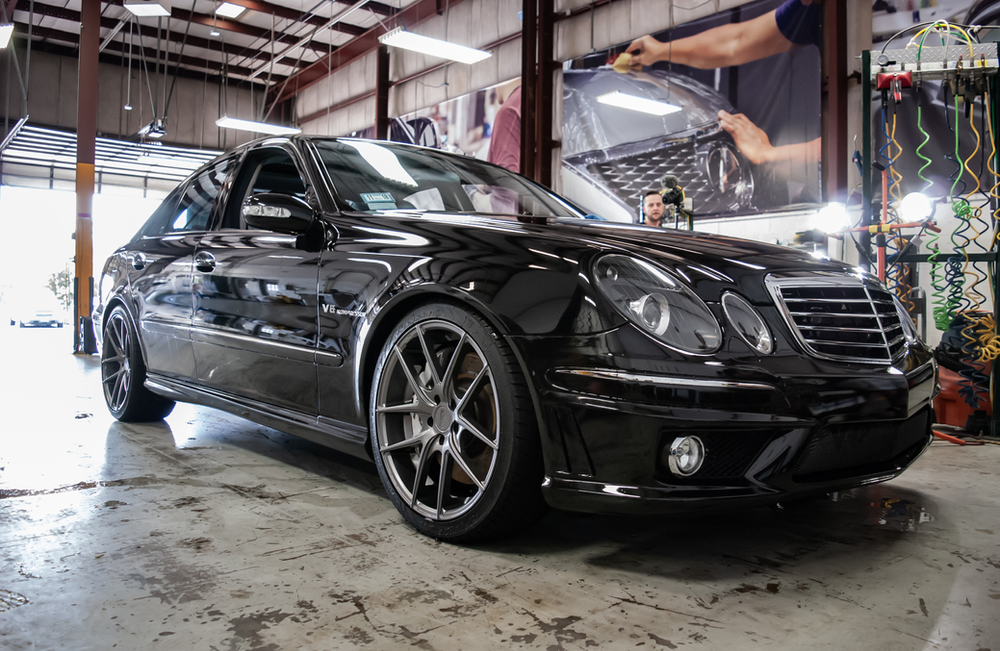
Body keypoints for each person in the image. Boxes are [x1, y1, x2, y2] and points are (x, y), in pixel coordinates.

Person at [625, 0, 822, 165]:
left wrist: (765, 153)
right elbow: (735, 42)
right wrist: (660, 51)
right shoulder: (809, 7)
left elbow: (844, 148)